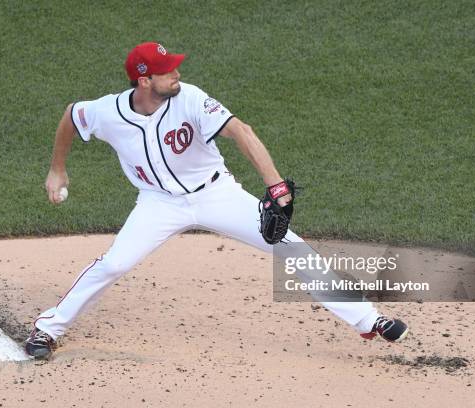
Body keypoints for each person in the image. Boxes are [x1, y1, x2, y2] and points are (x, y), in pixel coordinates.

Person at [24, 42, 408, 359]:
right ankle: (48, 329)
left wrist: (275, 186)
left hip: (216, 193)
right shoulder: (108, 111)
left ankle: (367, 319)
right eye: (167, 71)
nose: (177, 74)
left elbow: (241, 131)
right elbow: (71, 116)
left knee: (294, 248)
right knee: (114, 263)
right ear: (144, 80)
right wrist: (57, 169)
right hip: (159, 203)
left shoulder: (189, 97)